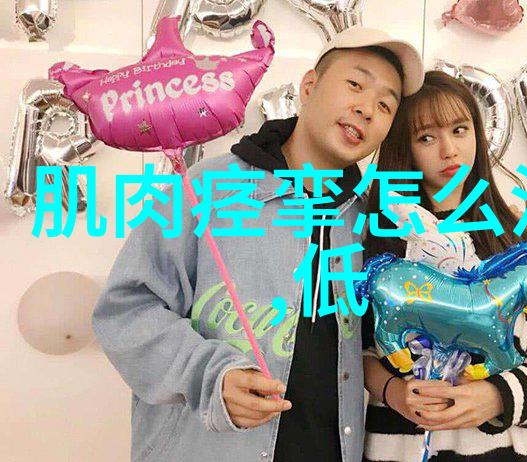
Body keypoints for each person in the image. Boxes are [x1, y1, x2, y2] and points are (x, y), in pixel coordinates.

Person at [91, 26, 424, 462]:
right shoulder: (206, 187)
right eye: (355, 85)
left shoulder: (370, 221)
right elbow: (125, 310)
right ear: (309, 87)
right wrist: (211, 377)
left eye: (385, 105)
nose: (366, 109)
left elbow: (368, 345)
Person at [361, 70, 527, 462]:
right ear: (403, 147)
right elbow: (360, 353)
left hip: (504, 450)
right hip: (401, 447)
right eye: (427, 137)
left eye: (460, 130)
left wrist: (496, 396)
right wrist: (395, 393)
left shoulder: (515, 242)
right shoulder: (380, 244)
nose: (449, 150)